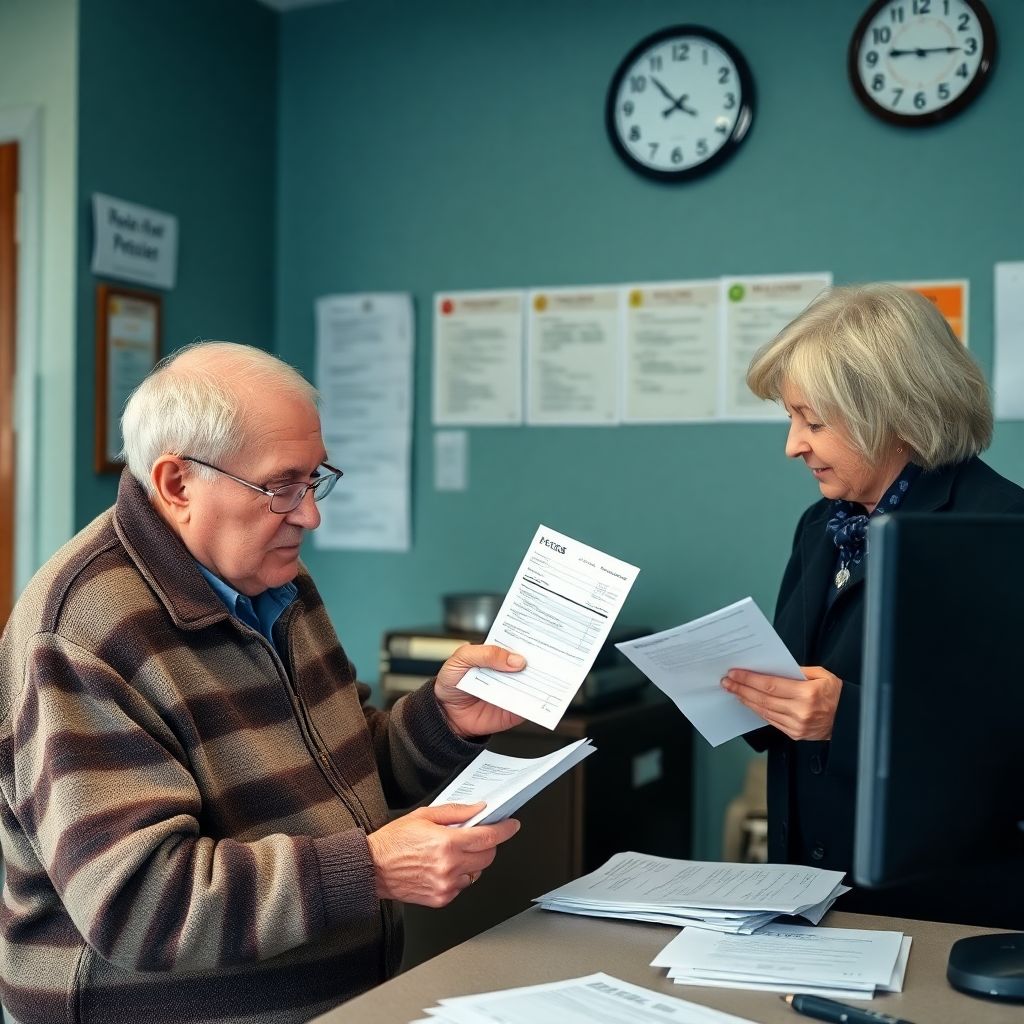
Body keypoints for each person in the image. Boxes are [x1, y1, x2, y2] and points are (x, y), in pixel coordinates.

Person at [0, 342, 528, 1024]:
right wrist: (368, 869)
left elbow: (339, 777)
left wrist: (442, 721)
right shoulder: (84, 632)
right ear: (177, 484)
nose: (310, 515)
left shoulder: (276, 580)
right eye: (282, 486)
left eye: (315, 480)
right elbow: (138, 904)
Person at [721, 283, 1024, 924]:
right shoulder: (821, 524)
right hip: (809, 894)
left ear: (894, 412)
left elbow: (1007, 743)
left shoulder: (1003, 530)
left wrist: (849, 717)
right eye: (791, 418)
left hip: (945, 914)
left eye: (814, 421)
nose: (793, 445)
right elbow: (796, 682)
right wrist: (745, 694)